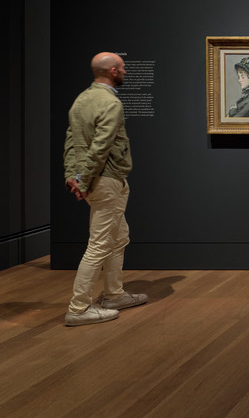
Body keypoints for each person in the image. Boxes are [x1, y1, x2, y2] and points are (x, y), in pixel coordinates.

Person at [62, 52, 148, 326]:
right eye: (122, 68)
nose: (125, 71)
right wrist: (84, 181)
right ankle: (78, 308)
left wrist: (73, 176)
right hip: (106, 180)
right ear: (112, 71)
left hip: (97, 179)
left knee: (119, 236)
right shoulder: (110, 102)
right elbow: (101, 147)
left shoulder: (81, 100)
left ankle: (113, 294)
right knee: (99, 244)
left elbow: (71, 142)